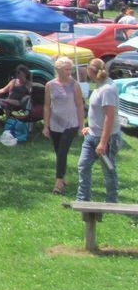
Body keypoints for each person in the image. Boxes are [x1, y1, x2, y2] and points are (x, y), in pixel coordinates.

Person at [75, 58, 122, 203]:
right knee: (83, 166)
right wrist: (90, 126)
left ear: (90, 70)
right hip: (92, 135)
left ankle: (112, 201)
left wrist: (103, 142)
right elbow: (98, 113)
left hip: (107, 138)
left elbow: (109, 117)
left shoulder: (107, 89)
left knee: (108, 170)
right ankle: (83, 199)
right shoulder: (98, 85)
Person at [43, 56, 85, 195]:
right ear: (59, 70)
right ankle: (63, 176)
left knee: (62, 151)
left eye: (70, 69)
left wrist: (81, 125)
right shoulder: (50, 85)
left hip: (70, 123)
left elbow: (80, 106)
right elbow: (47, 106)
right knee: (59, 152)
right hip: (55, 124)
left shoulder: (75, 85)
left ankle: (59, 182)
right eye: (66, 69)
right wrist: (45, 125)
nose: (69, 72)